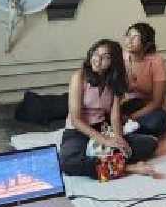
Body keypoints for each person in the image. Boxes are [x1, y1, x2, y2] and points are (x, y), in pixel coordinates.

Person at [60, 39, 159, 177]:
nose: (97, 59)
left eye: (105, 57)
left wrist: (119, 138)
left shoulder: (115, 81)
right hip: (78, 131)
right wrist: (103, 140)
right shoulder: (79, 76)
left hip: (103, 127)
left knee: (150, 144)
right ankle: (128, 168)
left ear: (114, 61)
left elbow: (114, 116)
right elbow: (76, 119)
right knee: (68, 163)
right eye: (95, 54)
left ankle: (105, 159)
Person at [121, 23, 166, 137]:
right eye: (128, 35)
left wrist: (131, 117)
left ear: (146, 42)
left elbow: (157, 102)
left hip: (151, 108)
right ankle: (130, 131)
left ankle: (130, 131)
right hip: (129, 105)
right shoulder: (122, 58)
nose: (129, 40)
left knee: (158, 122)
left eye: (135, 37)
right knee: (107, 117)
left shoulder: (156, 61)